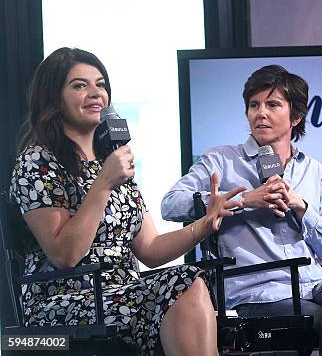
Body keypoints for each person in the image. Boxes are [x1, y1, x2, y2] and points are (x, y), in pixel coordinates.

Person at [10, 47, 245, 356]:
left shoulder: (111, 160)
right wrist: (104, 183)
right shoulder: (38, 162)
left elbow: (150, 249)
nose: (96, 94)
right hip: (62, 299)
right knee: (183, 285)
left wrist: (204, 223)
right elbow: (65, 255)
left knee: (189, 280)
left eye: (101, 84)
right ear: (53, 98)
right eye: (80, 85)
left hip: (124, 292)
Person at [161, 65, 322, 355]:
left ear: (296, 116)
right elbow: (170, 204)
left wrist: (302, 208)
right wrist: (244, 200)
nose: (260, 113)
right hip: (257, 293)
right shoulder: (221, 160)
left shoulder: (314, 171)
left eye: (272, 104)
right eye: (254, 105)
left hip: (311, 286)